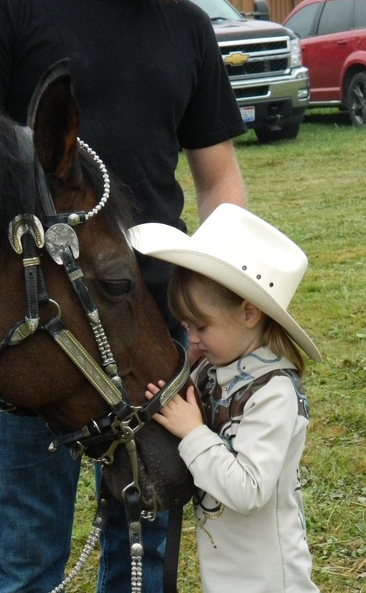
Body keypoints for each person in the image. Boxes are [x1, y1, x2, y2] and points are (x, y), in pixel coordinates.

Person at [0, 0, 247, 591]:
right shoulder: (0, 6)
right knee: (28, 558)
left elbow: (219, 178)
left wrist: (214, 300)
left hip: (155, 327)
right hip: (42, 331)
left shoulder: (184, 24)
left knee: (144, 559)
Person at [130, 203, 321, 593]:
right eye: (186, 326)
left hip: (269, 582)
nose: (192, 338)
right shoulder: (214, 371)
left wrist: (193, 432)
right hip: (227, 574)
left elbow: (249, 490)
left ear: (249, 313)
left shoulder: (274, 393)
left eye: (201, 326)